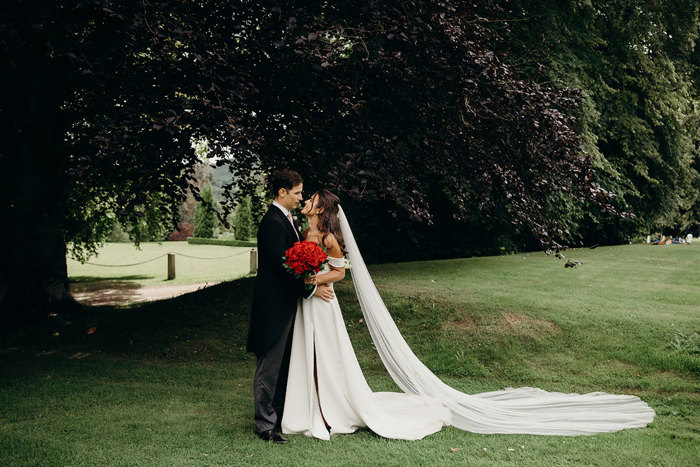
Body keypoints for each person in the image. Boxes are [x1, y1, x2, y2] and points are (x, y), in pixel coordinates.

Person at [281, 189, 655, 440]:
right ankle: (313, 403)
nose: (307, 202)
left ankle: (332, 408)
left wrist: (315, 276)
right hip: (310, 301)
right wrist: (308, 277)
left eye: (311, 199)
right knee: (311, 356)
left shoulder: (328, 237)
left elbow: (340, 272)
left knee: (329, 358)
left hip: (324, 304)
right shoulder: (303, 231)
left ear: (323, 209)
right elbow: (309, 268)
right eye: (307, 198)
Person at [247, 170, 334, 444]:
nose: (300, 197)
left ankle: (280, 416)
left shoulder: (288, 220)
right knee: (269, 366)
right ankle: (264, 425)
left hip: (288, 304)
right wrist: (311, 287)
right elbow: (281, 269)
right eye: (297, 192)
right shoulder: (273, 223)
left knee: (284, 365)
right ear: (281, 192)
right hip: (274, 306)